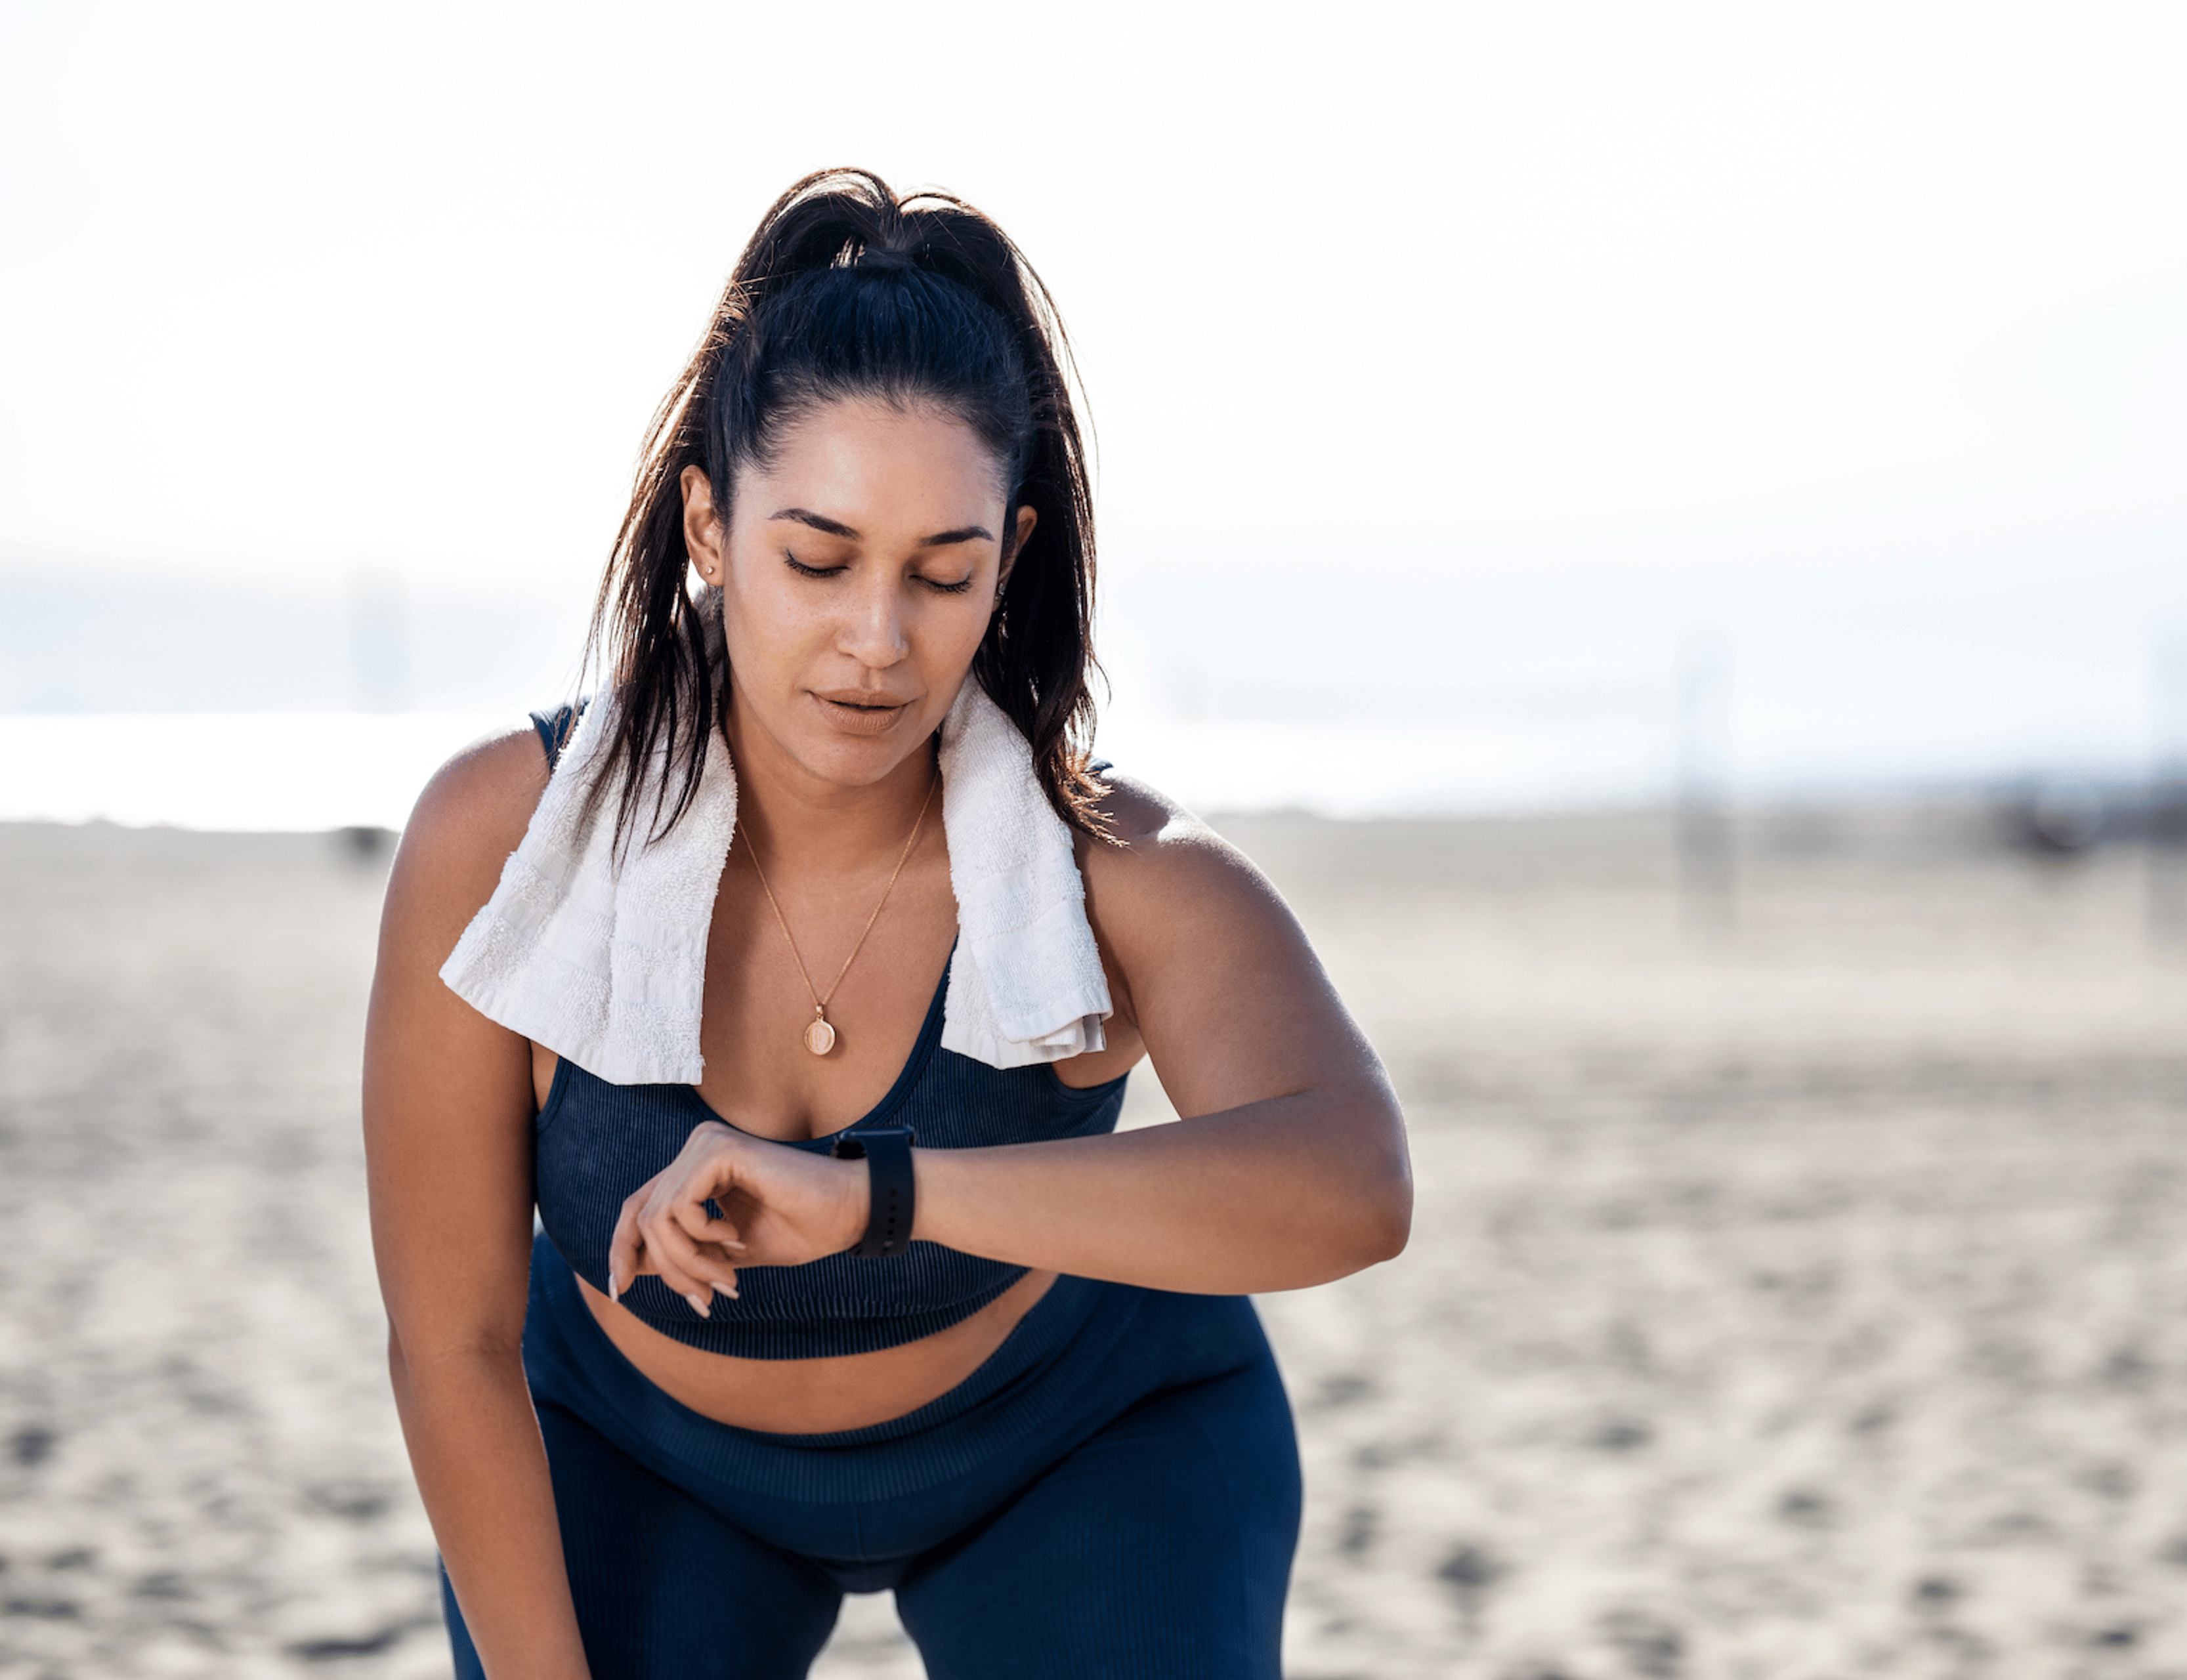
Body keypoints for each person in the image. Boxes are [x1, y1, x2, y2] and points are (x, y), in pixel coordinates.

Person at [362, 168, 1412, 1680]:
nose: (878, 639)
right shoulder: (502, 840)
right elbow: (450, 1338)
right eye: (818, 556)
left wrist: (884, 1195)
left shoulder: (1117, 867)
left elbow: (1355, 1182)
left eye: (944, 572)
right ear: (710, 526)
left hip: (1088, 1440)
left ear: (1012, 556)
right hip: (636, 1455)